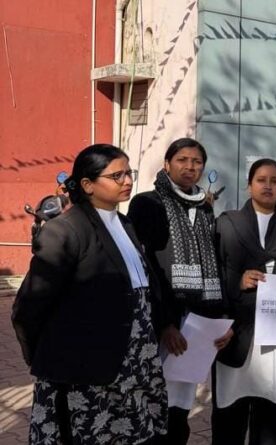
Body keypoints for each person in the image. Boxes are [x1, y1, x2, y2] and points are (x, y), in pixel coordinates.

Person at [12, 144, 168, 444]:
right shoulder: (66, 230)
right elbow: (29, 305)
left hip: (133, 367)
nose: (127, 181)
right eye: (117, 175)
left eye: (129, 173)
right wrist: (45, 356)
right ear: (87, 184)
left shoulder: (125, 224)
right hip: (84, 371)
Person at [128, 137, 232, 445]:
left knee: (180, 406)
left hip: (197, 322)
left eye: (197, 162)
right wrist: (164, 324)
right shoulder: (147, 204)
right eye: (182, 160)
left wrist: (219, 319)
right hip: (161, 321)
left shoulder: (205, 208)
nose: (190, 167)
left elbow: (215, 262)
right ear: (167, 164)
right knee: (151, 401)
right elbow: (145, 267)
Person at [212, 158, 276, 445]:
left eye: (274, 181)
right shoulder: (227, 224)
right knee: (229, 419)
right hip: (236, 333)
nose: (268, 186)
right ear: (249, 185)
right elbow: (213, 273)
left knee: (270, 419)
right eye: (261, 180)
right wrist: (238, 281)